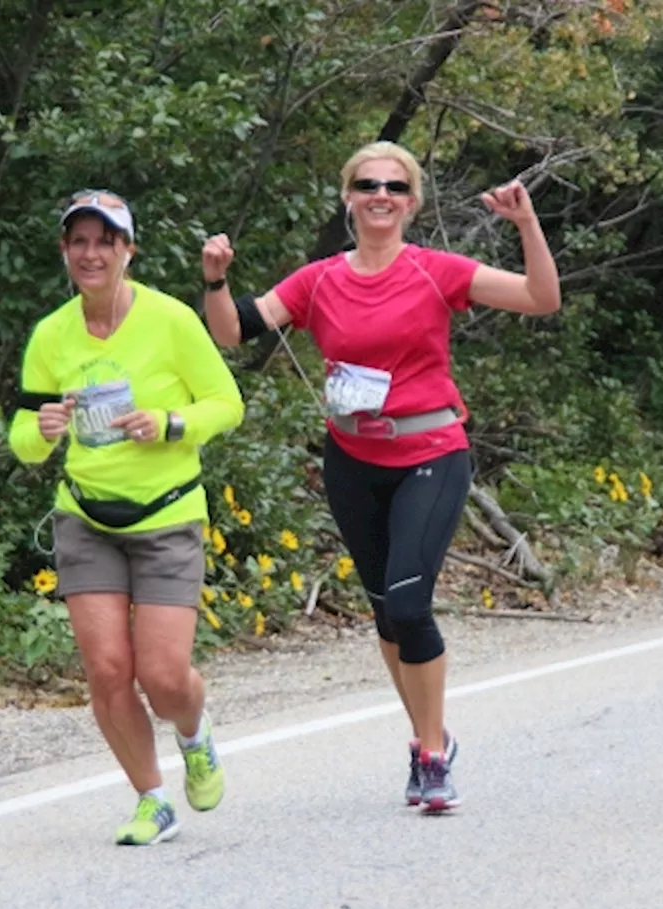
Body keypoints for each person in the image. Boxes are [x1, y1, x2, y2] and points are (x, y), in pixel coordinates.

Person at [200, 141, 560, 812]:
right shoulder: (319, 280)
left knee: (408, 604)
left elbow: (541, 298)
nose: (381, 195)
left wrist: (526, 226)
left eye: (395, 187)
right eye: (367, 184)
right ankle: (429, 736)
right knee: (386, 615)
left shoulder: (436, 270)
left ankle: (430, 757)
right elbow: (232, 332)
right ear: (349, 198)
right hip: (353, 462)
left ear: (412, 202)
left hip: (431, 453)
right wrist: (217, 281)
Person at [8, 190, 246, 845]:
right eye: (78, 242)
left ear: (127, 250)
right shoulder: (52, 335)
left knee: (164, 678)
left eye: (104, 241)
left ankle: (193, 736)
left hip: (167, 515)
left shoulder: (170, 320)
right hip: (86, 518)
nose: (91, 254)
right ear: (65, 251)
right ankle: (152, 799)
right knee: (109, 670)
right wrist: (44, 428)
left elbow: (226, 404)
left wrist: (170, 423)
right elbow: (24, 439)